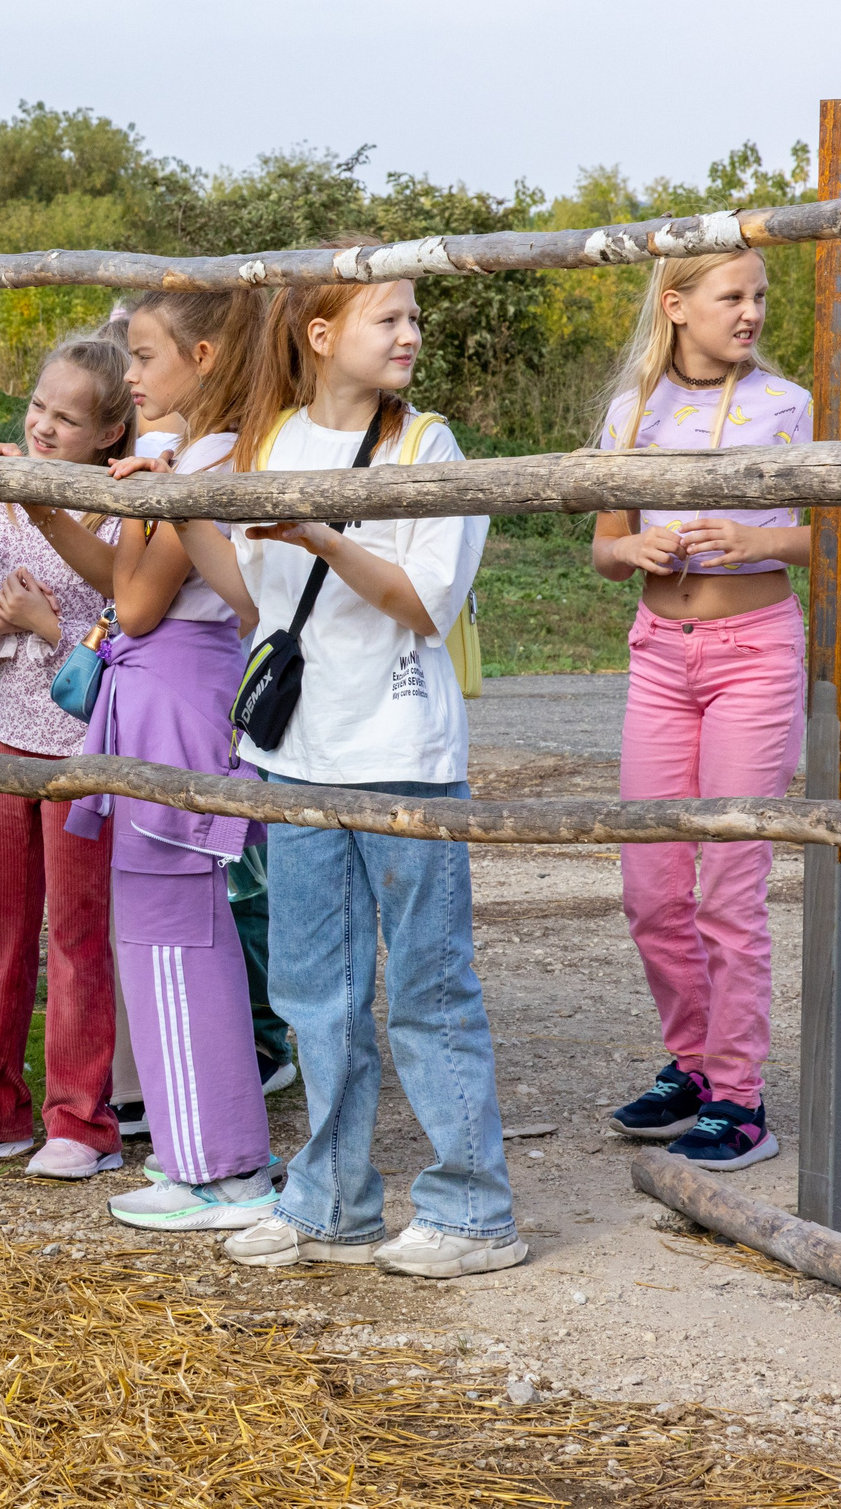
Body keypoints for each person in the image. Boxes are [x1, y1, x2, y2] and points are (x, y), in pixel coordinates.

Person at [206, 272, 522, 1279]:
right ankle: (330, 1202)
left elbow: (425, 602)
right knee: (315, 991)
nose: (409, 333)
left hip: (404, 755)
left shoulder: (429, 448)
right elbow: (253, 599)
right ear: (319, 332)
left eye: (414, 316)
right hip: (298, 755)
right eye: (388, 317)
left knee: (429, 984)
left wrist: (321, 536)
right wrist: (176, 506)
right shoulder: (269, 443)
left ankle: (473, 1210)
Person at [11, 290, 281, 1232]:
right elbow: (125, 586)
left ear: (203, 359)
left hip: (174, 700)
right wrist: (49, 509)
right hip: (156, 691)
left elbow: (132, 607)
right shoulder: (194, 456)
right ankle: (198, 1152)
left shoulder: (204, 463)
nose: (130, 374)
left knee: (174, 934)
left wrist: (139, 499)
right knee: (162, 931)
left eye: (146, 354)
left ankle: (220, 1168)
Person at [589, 250, 810, 1171]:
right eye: (732, 296)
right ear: (676, 305)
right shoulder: (630, 412)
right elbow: (604, 548)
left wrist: (756, 536)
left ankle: (740, 1099)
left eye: (759, 296)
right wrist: (633, 550)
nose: (751, 311)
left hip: (753, 653)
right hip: (658, 654)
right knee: (650, 885)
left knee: (729, 884)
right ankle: (692, 1063)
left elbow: (833, 533)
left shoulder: (786, 405)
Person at [0, 332, 135, 1178]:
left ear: (109, 433)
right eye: (38, 407)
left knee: (78, 934)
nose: (42, 426)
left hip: (85, 752)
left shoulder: (123, 510)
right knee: (4, 930)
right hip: (3, 745)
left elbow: (130, 631)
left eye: (67, 420)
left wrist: (51, 631)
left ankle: (81, 1119)